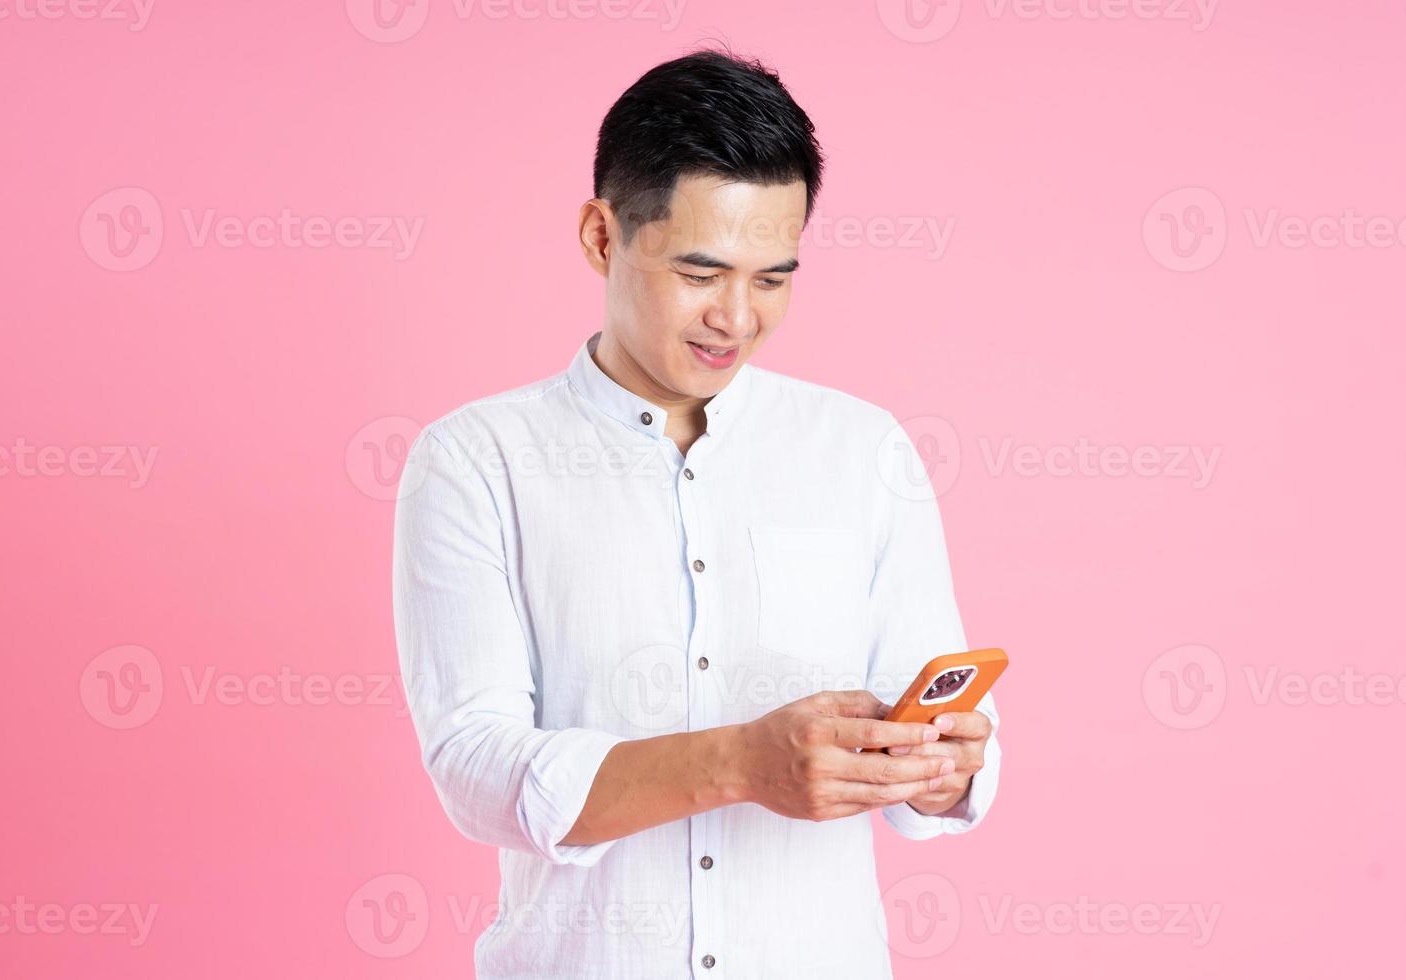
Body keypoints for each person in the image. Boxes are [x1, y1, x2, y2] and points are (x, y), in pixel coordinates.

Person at [392, 45, 1002, 979]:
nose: (737, 317)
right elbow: (478, 769)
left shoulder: (864, 450)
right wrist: (740, 763)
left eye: (772, 278)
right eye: (700, 271)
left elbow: (931, 733)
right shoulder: (478, 462)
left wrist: (946, 764)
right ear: (602, 236)